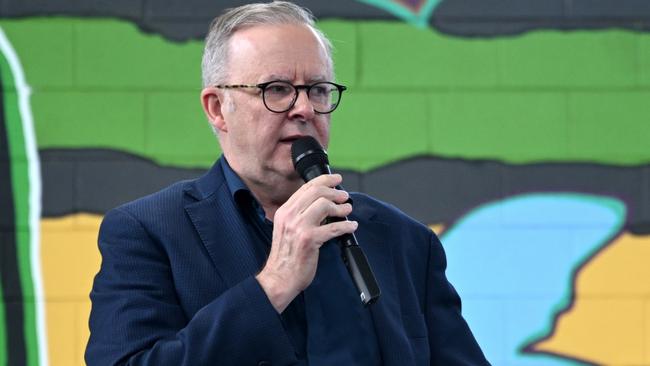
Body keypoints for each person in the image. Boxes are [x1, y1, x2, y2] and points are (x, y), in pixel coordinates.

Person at [85, 1, 489, 365]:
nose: (304, 108)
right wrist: (273, 285)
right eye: (276, 89)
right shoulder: (147, 232)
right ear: (217, 108)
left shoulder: (403, 242)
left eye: (317, 89)